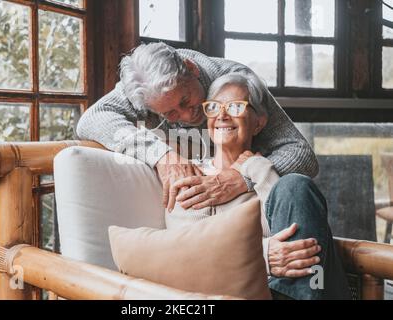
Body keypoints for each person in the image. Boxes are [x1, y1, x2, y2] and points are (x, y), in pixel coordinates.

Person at [166, 73, 351, 300]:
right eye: (213, 107)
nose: (222, 115)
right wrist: (262, 254)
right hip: (232, 294)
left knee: (296, 185)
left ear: (258, 123)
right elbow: (188, 251)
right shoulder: (191, 177)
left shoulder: (270, 176)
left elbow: (292, 236)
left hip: (284, 289)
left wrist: (256, 167)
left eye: (235, 107)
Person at [76, 42, 319, 213]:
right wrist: (162, 156)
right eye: (170, 113)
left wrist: (242, 177)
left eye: (185, 100)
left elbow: (303, 155)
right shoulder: (143, 88)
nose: (186, 115)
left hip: (256, 206)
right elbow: (92, 119)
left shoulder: (237, 82)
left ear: (191, 68)